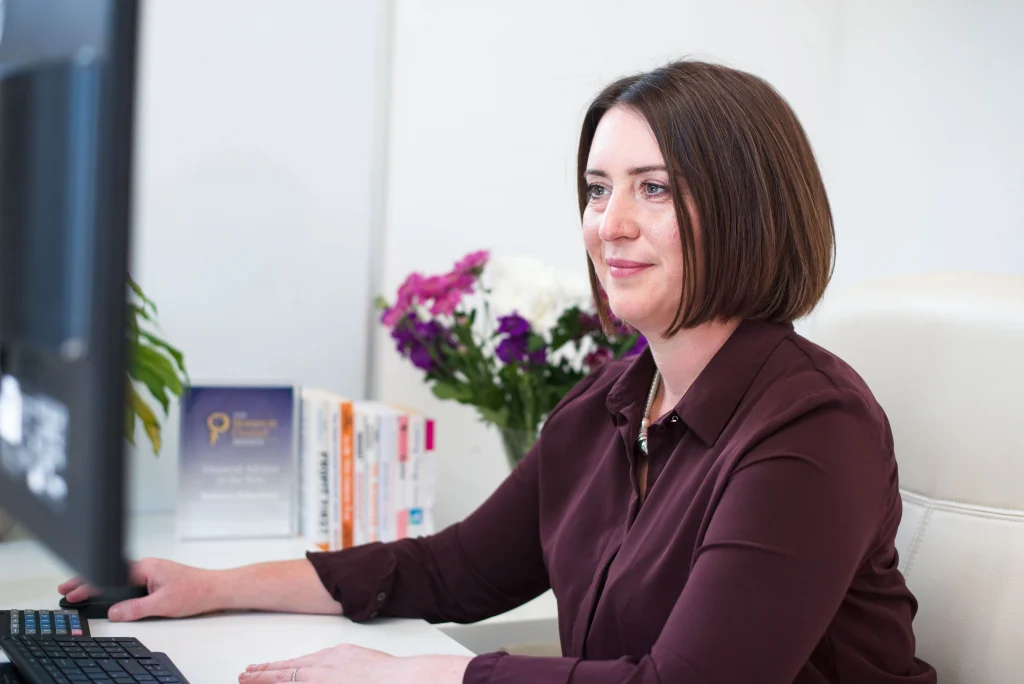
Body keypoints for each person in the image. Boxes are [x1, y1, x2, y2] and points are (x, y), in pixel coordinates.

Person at [60, 59, 938, 684]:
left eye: (654, 188)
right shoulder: (614, 397)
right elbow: (451, 571)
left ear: (749, 211)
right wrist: (212, 587)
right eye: (597, 189)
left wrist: (424, 677)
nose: (608, 224)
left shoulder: (812, 428)